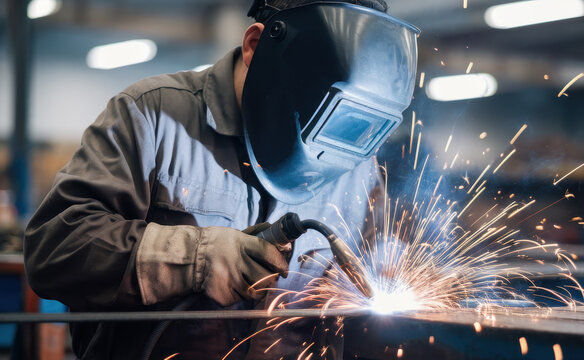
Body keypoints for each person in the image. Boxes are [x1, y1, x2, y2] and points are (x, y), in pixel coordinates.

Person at [24, 0, 418, 358]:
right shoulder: (153, 117)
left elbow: (376, 256)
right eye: (309, 111)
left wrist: (386, 267)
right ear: (255, 47)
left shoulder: (355, 160)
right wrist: (196, 258)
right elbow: (53, 249)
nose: (325, 141)